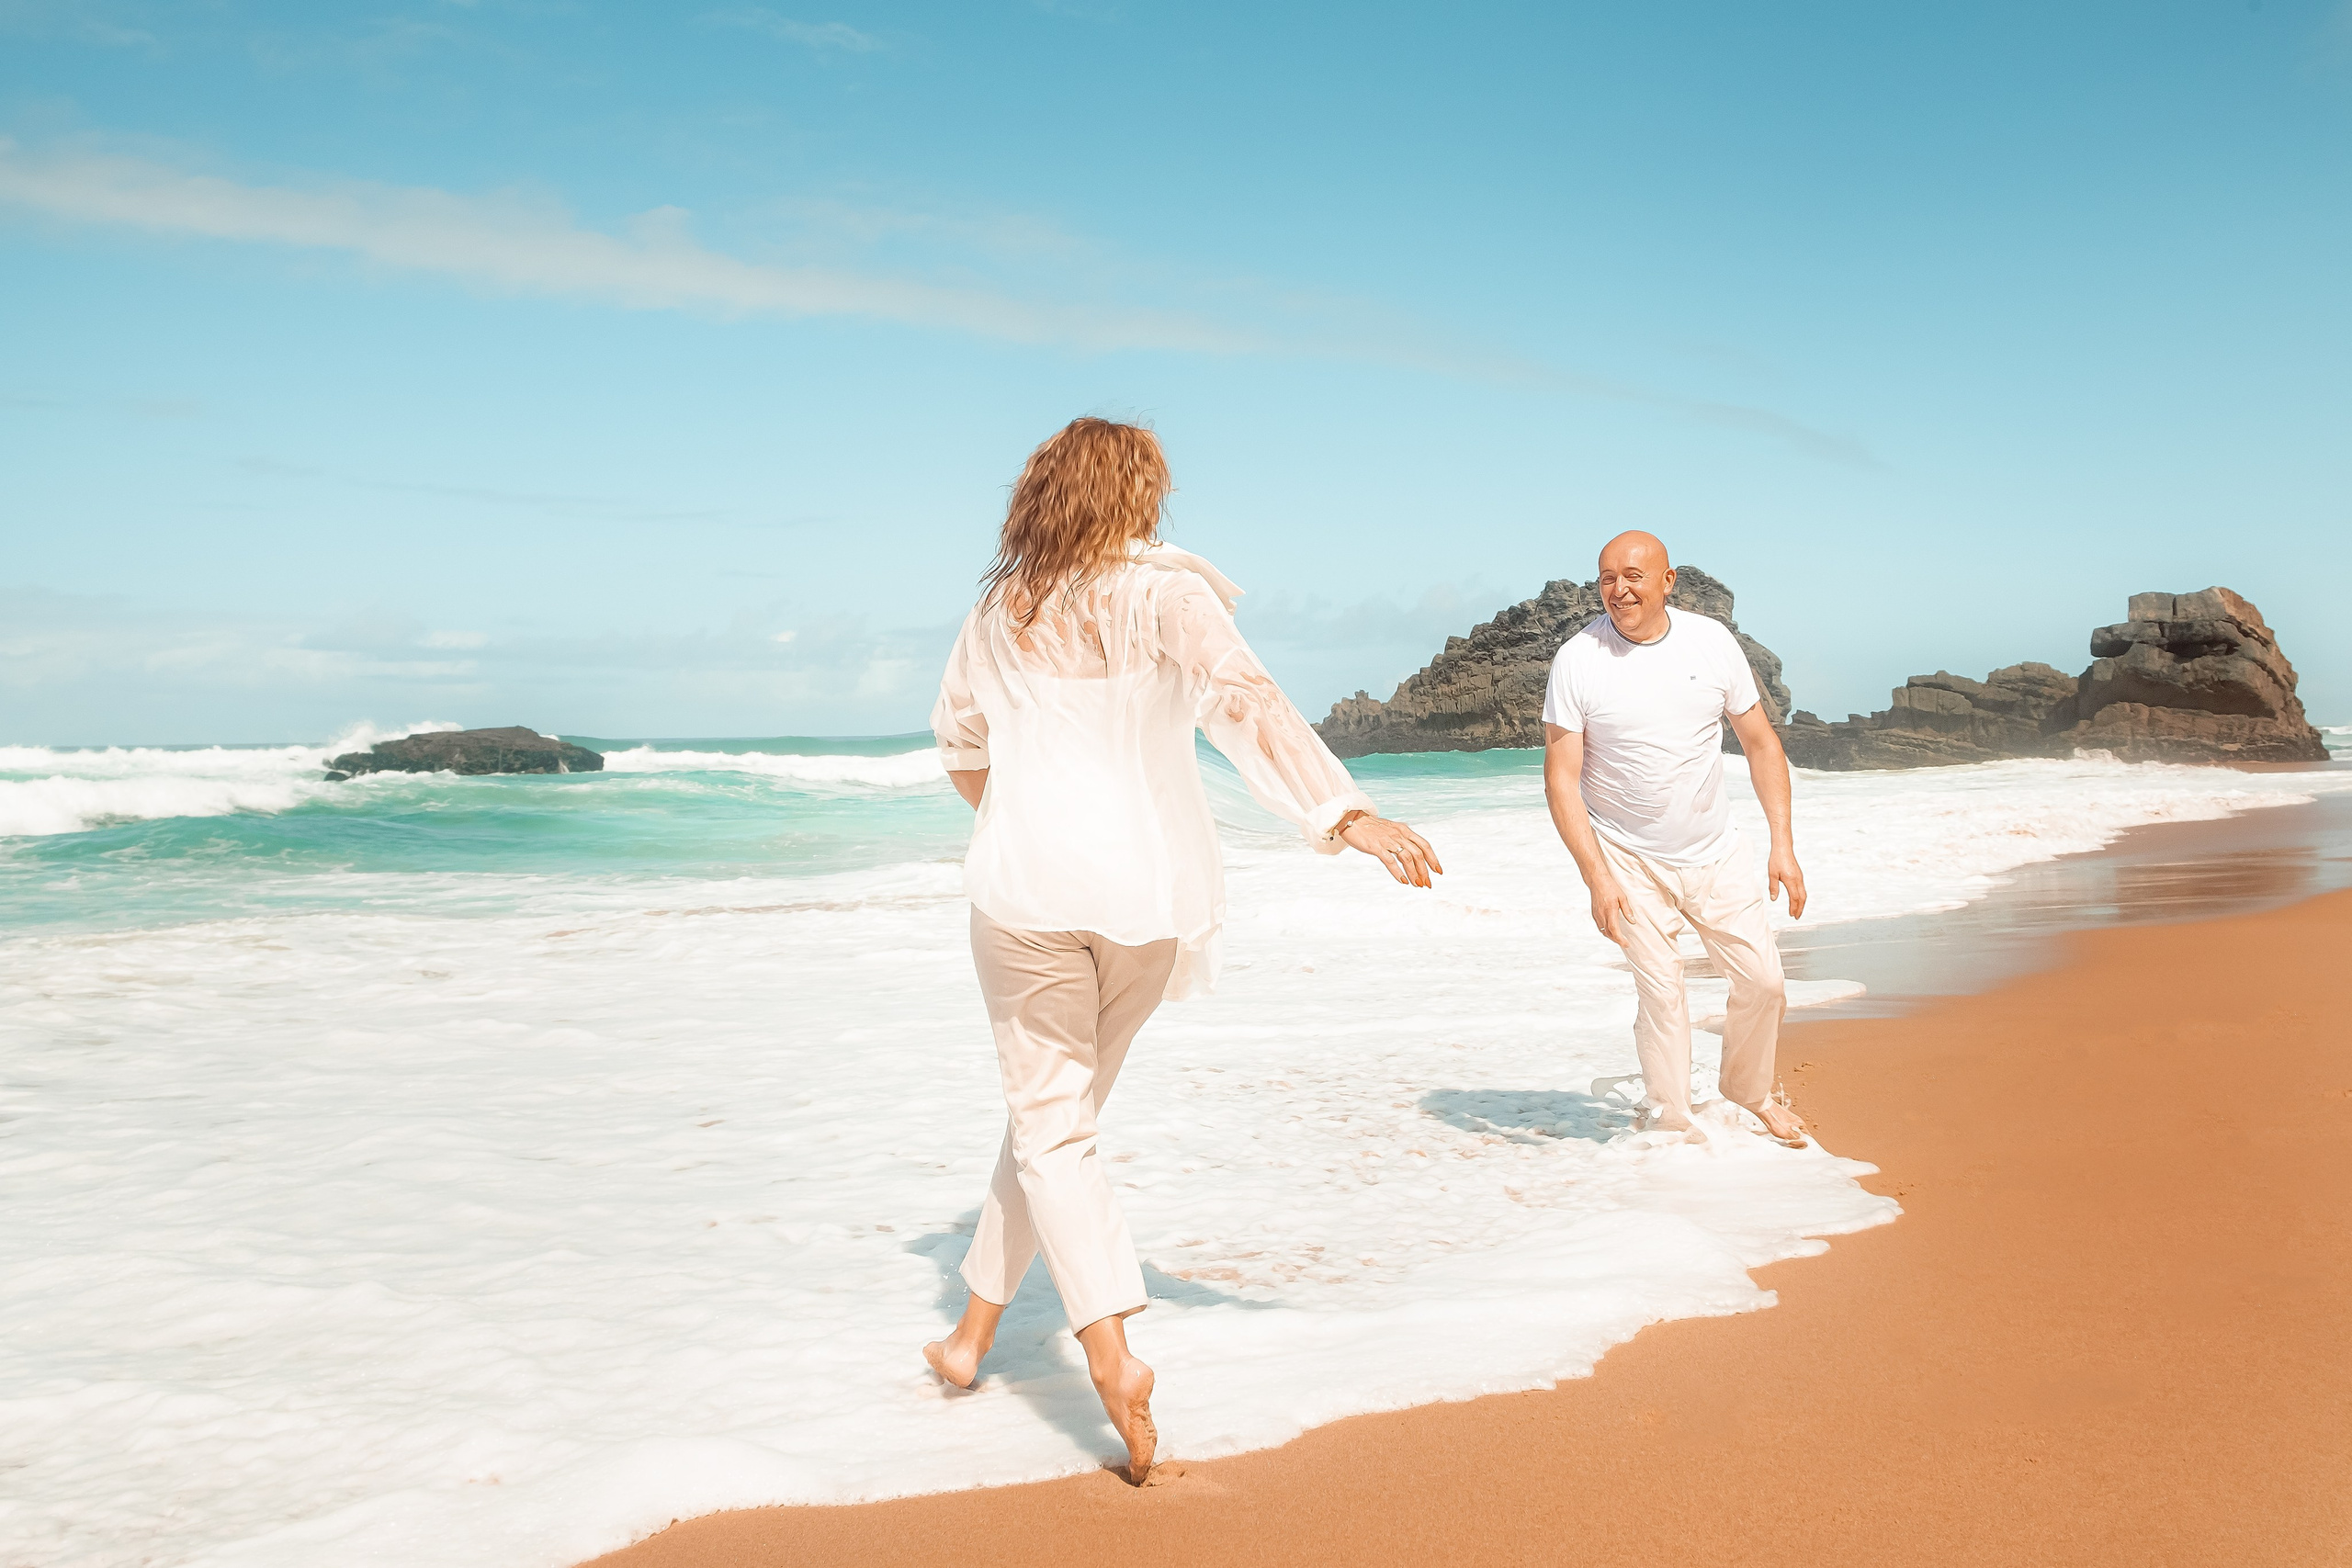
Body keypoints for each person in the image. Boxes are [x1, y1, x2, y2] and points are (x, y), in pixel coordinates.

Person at [922, 417, 1442, 1483]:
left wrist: (1015, 821)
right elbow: (1247, 706)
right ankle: (970, 1340)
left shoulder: (997, 605)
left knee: (1049, 1125)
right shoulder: (1167, 590)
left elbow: (958, 745)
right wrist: (1343, 817)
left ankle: (1110, 1357)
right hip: (1147, 897)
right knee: (1053, 1124)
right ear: (1139, 494)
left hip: (1023, 893)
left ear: (1042, 493)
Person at [1540, 530, 1810, 1146]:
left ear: (1668, 581)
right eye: (1607, 577)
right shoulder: (1577, 660)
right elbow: (1560, 779)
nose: (1619, 588)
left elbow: (1762, 743)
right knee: (1663, 993)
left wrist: (1783, 846)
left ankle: (1750, 1092)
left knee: (1763, 983)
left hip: (1716, 851)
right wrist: (1597, 877)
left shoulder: (1711, 643)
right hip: (1627, 858)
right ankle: (1673, 1121)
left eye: (1633, 575)